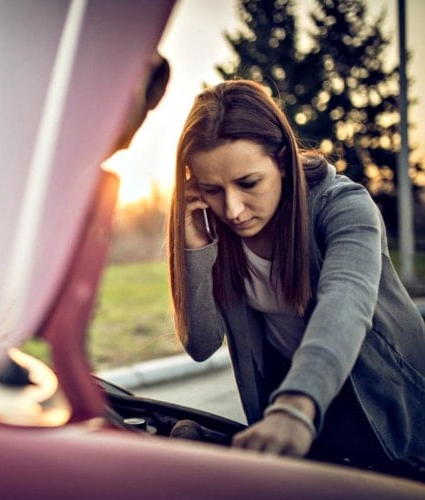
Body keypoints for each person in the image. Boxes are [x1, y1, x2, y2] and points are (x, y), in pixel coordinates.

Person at [166, 79, 425, 479]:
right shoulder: (216, 231)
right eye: (212, 190)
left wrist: (295, 404)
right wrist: (196, 247)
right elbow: (201, 344)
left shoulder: (344, 206)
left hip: (388, 411)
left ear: (283, 161)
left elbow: (346, 304)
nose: (233, 210)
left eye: (248, 183)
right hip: (307, 427)